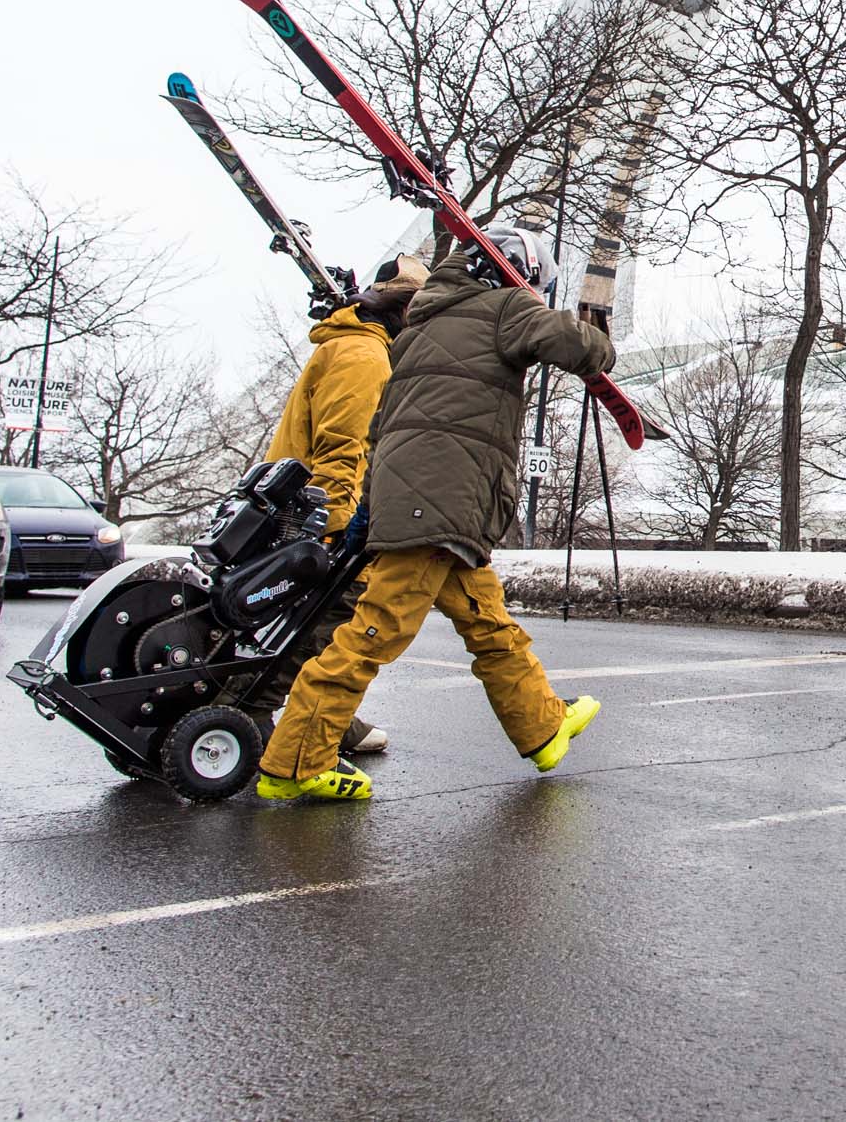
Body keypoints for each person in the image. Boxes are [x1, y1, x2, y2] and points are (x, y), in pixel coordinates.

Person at [255, 226, 614, 803]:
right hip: (443, 506)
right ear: (516, 272)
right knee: (372, 634)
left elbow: (382, 425)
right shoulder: (505, 308)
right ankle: (295, 762)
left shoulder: (417, 329)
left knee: (489, 623)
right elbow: (570, 345)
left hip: (427, 505)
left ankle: (543, 727)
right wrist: (599, 337)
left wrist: (372, 506)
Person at [249, 252, 431, 757]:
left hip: (308, 508)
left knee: (335, 621)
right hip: (317, 512)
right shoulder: (363, 356)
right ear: (404, 309)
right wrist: (332, 532)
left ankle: (331, 717)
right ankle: (256, 712)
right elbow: (342, 451)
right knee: (335, 616)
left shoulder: (360, 348)